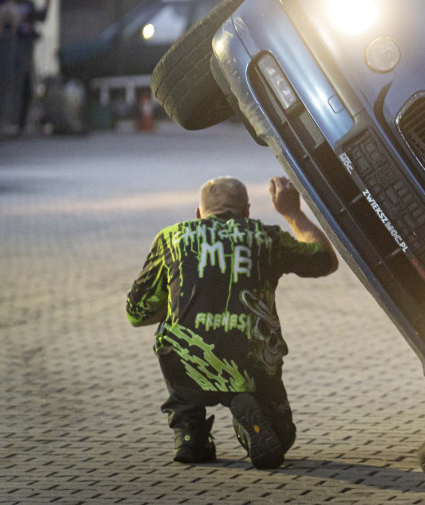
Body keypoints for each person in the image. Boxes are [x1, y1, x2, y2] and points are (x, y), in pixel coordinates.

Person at [126, 176, 338, 468]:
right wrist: (292, 213)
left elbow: (136, 312)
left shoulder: (171, 238)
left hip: (189, 363)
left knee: (171, 334)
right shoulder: (266, 237)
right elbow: (325, 260)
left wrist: (180, 308)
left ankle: (189, 436)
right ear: (248, 211)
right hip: (254, 361)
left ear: (198, 214)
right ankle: (246, 406)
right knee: (282, 438)